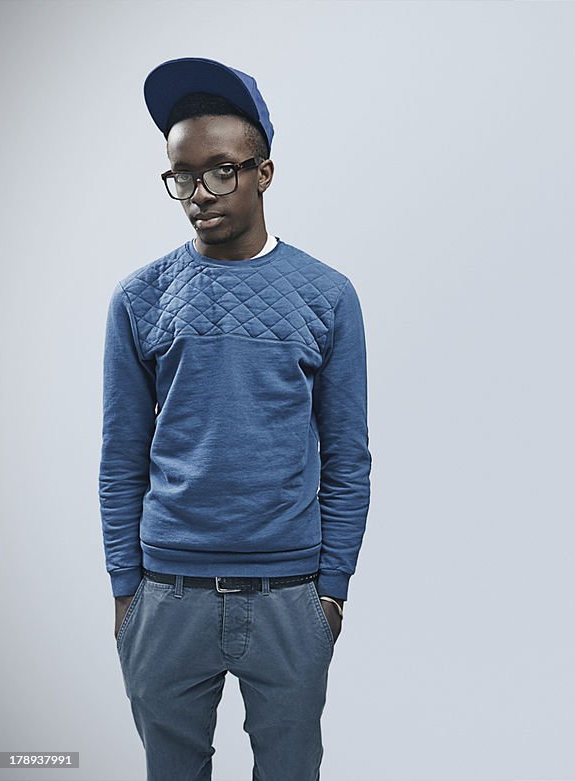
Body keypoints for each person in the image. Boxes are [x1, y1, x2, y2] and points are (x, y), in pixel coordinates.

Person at [98, 56, 372, 781]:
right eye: (181, 175)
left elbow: (348, 456)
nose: (198, 193)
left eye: (221, 170)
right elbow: (121, 458)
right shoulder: (139, 297)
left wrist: (331, 592)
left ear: (264, 172)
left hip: (288, 598)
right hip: (166, 596)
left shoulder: (328, 295)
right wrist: (127, 592)